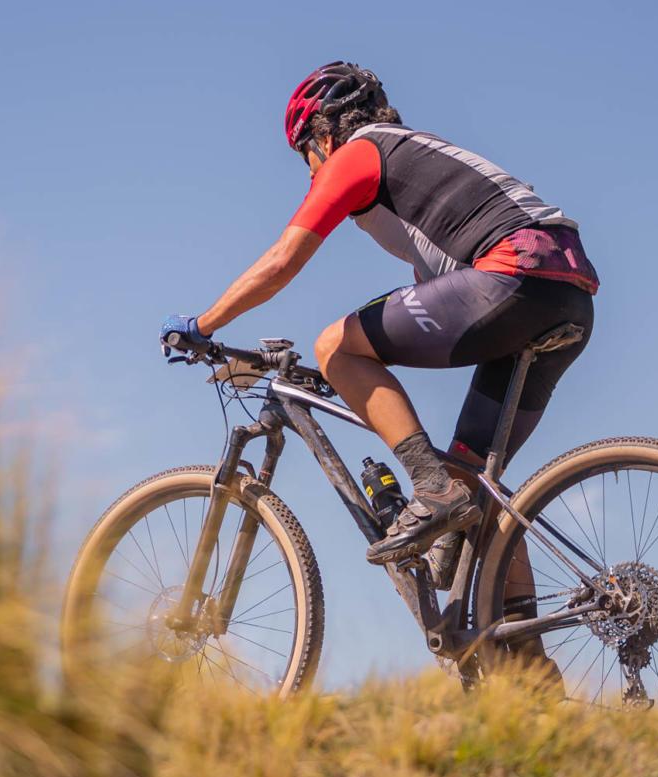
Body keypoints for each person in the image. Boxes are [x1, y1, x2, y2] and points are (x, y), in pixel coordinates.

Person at [162, 61, 598, 572]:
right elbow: (432, 297)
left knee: (334, 345)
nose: (310, 174)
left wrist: (204, 325)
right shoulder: (424, 164)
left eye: (305, 157)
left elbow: (282, 261)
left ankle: (430, 488)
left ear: (323, 137)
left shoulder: (359, 153)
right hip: (570, 297)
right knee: (473, 489)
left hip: (509, 277)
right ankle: (516, 625)